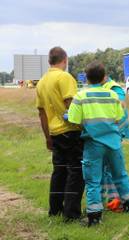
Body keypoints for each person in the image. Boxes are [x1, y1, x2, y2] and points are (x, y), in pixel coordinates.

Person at [67, 62, 129, 226]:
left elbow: (74, 120)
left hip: (94, 144)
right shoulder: (112, 95)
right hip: (114, 143)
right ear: (104, 76)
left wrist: (68, 116)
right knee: (120, 175)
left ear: (86, 77)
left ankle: (94, 217)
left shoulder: (81, 96)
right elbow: (118, 117)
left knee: (93, 180)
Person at [35, 46, 84, 222]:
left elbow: (41, 112)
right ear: (65, 60)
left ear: (50, 61)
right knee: (76, 172)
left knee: (59, 171)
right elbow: (72, 104)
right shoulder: (64, 77)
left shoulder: (41, 82)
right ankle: (71, 215)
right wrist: (84, 126)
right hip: (70, 131)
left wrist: (47, 137)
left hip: (54, 132)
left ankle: (55, 209)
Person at [100, 76, 129, 203]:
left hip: (113, 133)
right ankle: (111, 198)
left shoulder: (115, 88)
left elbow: (120, 108)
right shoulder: (102, 87)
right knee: (105, 167)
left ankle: (114, 198)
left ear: (104, 76)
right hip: (106, 133)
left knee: (110, 168)